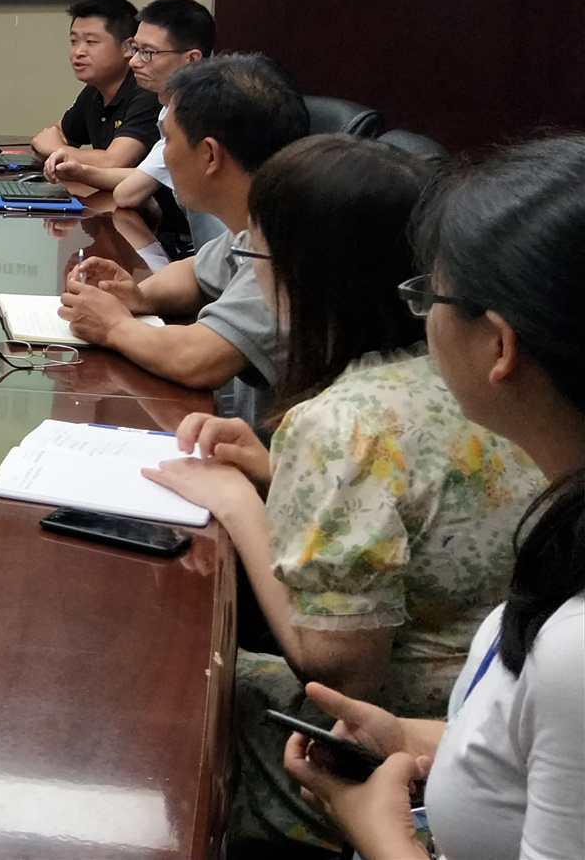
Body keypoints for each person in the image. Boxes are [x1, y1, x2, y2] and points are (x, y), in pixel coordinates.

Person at [142, 135, 545, 849]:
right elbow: (436, 514)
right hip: (503, 713)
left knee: (172, 678)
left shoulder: (345, 423)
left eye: (254, 254)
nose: (246, 271)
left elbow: (339, 670)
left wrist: (239, 504)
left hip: (399, 751)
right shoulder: (497, 384)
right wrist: (276, 474)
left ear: (306, 274)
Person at [272, 138, 585, 860]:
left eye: (430, 297)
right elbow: (536, 746)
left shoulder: (574, 646)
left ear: (499, 346)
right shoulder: (565, 522)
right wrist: (414, 738)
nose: (420, 318)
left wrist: (372, 828)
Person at [58, 53, 308, 411]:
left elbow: (197, 360)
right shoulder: (263, 218)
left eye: (167, 140)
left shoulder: (290, 247)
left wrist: (113, 326)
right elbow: (196, 272)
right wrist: (137, 297)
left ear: (210, 156)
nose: (163, 156)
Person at [50, 0, 223, 260]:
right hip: (205, 258)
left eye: (148, 53)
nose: (133, 61)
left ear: (191, 60)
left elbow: (128, 192)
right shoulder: (172, 108)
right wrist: (81, 171)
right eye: (135, 48)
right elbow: (140, 178)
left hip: (229, 262)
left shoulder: (201, 116)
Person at [30, 0, 159, 176]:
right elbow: (55, 133)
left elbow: (114, 162)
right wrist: (53, 147)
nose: (78, 52)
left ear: (128, 48)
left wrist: (55, 150)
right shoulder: (94, 91)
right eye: (74, 41)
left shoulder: (147, 92)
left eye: (91, 42)